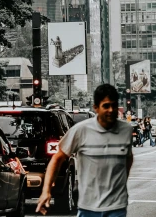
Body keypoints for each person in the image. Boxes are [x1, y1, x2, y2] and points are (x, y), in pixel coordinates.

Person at [36, 84, 133, 217]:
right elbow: (57, 158)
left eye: (114, 105)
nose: (111, 110)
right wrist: (46, 190)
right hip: (88, 208)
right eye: (106, 106)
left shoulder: (126, 130)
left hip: (117, 207)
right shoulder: (80, 130)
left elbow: (128, 157)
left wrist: (122, 180)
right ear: (96, 108)